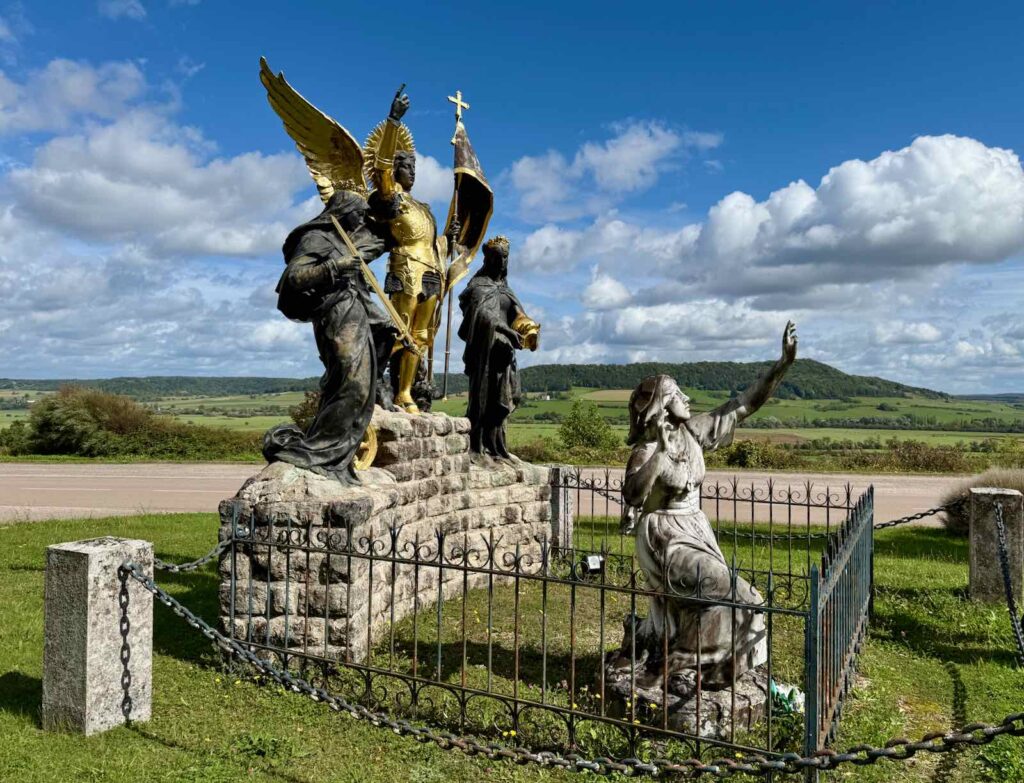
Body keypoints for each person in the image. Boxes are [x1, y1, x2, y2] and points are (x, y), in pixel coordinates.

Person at [613, 322, 798, 687]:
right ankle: (674, 664)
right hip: (664, 536)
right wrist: (661, 457)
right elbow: (632, 495)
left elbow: (744, 404)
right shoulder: (646, 450)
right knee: (725, 589)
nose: (687, 399)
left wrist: (783, 363)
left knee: (744, 599)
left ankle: (712, 670)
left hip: (696, 529)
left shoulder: (694, 432)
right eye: (678, 394)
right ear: (662, 406)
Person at [262, 190, 395, 483]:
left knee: (366, 377)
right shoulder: (317, 238)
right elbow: (294, 278)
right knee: (351, 383)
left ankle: (337, 458)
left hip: (356, 311)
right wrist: (336, 267)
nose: (362, 220)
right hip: (335, 314)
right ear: (344, 211)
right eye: (358, 213)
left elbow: (382, 239)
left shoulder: (346, 239)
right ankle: (320, 451)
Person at [366, 88, 461, 413]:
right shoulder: (391, 196)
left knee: (420, 337)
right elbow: (379, 166)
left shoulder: (424, 207)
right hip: (405, 269)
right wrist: (393, 122)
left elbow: (434, 242)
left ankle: (404, 393)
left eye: (414, 165)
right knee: (400, 331)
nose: (413, 170)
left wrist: (449, 236)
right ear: (395, 170)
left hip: (432, 272)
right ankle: (375, 381)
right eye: (406, 165)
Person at [457, 236, 539, 457]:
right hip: (484, 352)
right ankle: (478, 447)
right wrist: (504, 330)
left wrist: (528, 328)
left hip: (504, 353)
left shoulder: (505, 288)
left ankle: (497, 448)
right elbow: (481, 315)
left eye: (505, 258)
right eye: (497, 258)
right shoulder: (477, 286)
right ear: (488, 258)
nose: (501, 263)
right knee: (483, 400)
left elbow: (517, 315)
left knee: (506, 398)